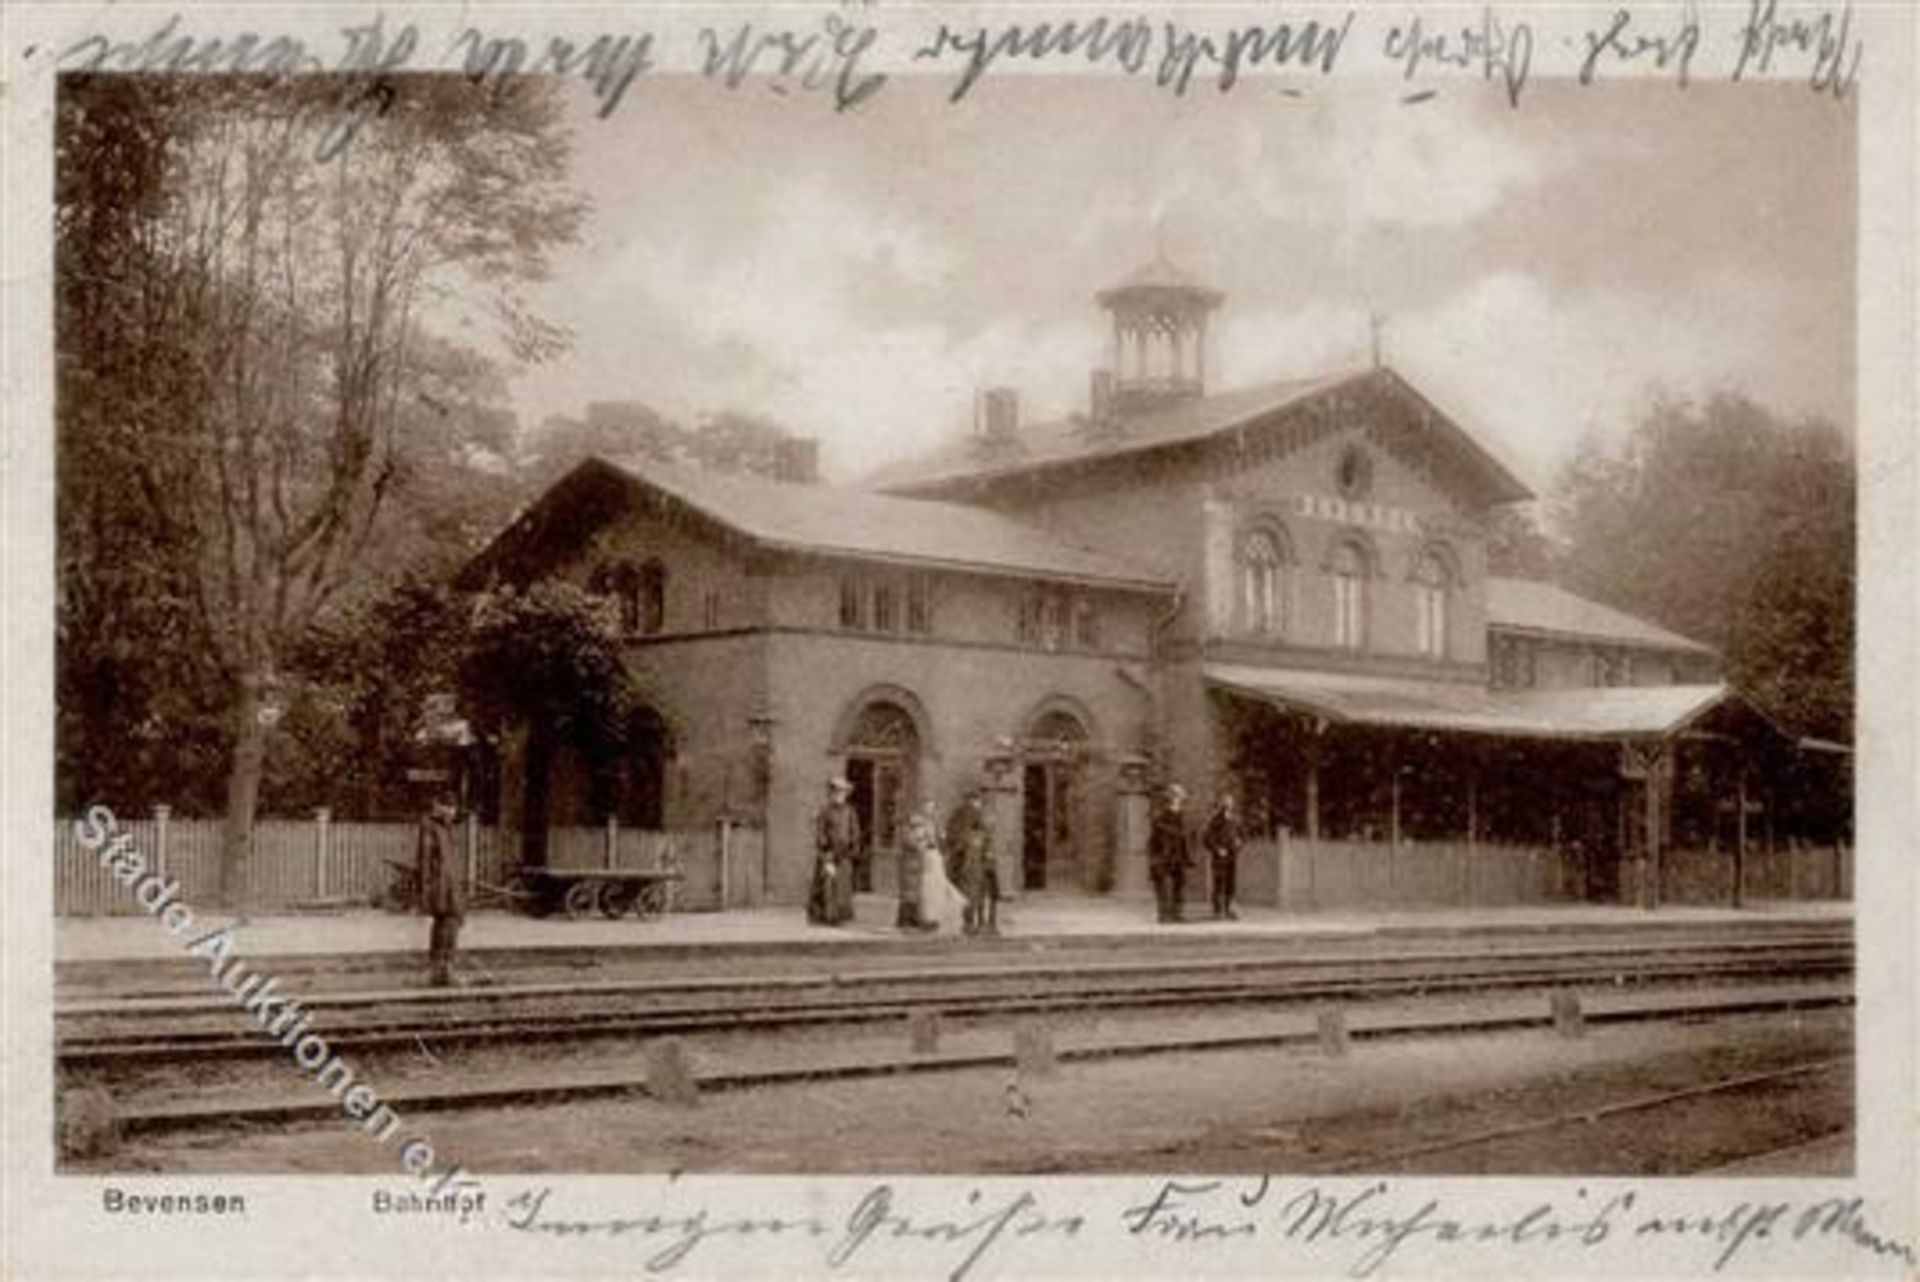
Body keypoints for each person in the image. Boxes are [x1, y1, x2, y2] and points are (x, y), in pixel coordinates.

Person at [415, 791, 464, 986]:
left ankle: (442, 971)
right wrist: (425, 890)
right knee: (446, 925)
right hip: (440, 886)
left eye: (453, 807)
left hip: (451, 885)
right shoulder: (430, 827)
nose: (451, 811)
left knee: (449, 925)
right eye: (448, 807)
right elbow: (425, 861)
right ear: (439, 807)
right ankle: (443, 971)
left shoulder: (448, 828)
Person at [946, 786, 997, 936]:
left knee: (975, 893)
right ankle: (971, 923)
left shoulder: (976, 817)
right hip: (968, 862)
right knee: (970, 893)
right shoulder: (963, 816)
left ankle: (976, 923)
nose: (976, 804)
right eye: (974, 800)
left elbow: (987, 840)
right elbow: (955, 839)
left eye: (977, 801)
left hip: (974, 863)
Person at [809, 777, 859, 926]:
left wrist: (853, 846)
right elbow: (821, 831)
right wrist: (825, 848)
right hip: (829, 853)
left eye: (842, 792)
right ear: (831, 793)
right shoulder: (825, 811)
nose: (839, 795)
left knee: (843, 885)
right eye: (836, 791)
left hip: (844, 854)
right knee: (828, 883)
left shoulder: (850, 811)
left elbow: (855, 830)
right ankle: (826, 915)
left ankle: (840, 915)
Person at [911, 801, 968, 932]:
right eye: (927, 808)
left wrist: (943, 845)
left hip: (937, 855)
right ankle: (927, 917)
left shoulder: (937, 825)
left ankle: (937, 915)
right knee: (927, 885)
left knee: (938, 884)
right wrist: (924, 845)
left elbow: (943, 840)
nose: (930, 811)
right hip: (927, 855)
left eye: (932, 809)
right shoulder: (921, 824)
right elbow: (917, 841)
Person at [1149, 783, 1193, 924]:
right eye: (1179, 796)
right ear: (1172, 798)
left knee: (1179, 884)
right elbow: (1158, 830)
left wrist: (1186, 854)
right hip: (1162, 854)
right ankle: (1164, 914)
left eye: (1181, 797)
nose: (1181, 800)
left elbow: (1183, 836)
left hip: (1177, 855)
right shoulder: (1161, 814)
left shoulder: (1180, 814)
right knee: (1162, 886)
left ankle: (1176, 913)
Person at [1202, 791, 1245, 920]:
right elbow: (1207, 837)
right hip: (1220, 857)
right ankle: (1217, 911)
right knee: (1219, 882)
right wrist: (1217, 849)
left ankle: (1229, 909)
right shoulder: (1215, 820)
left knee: (1231, 883)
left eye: (1230, 803)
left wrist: (1239, 843)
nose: (1228, 805)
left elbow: (1242, 835)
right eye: (1226, 803)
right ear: (1222, 805)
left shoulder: (1236, 820)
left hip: (1232, 855)